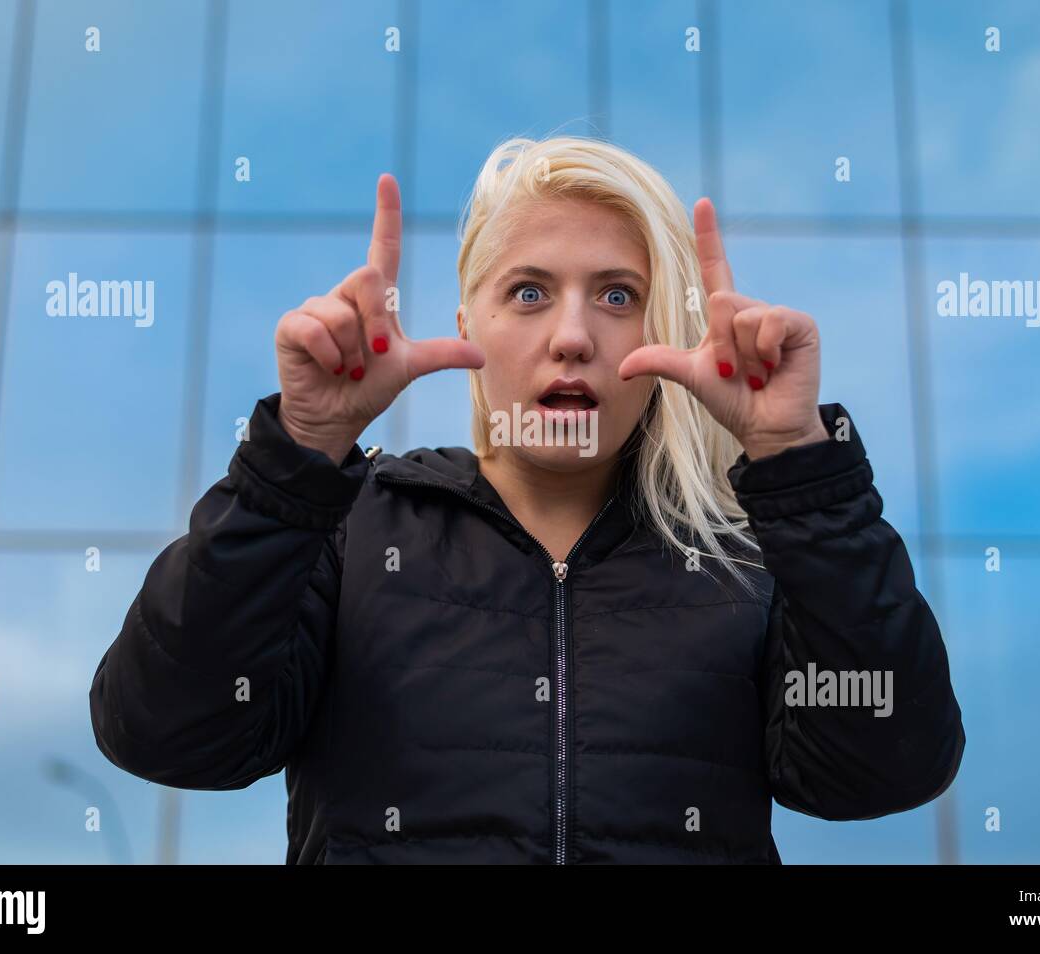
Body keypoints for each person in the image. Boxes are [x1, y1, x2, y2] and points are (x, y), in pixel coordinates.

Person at [89, 135, 964, 864]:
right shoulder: (349, 530)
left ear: (663, 332)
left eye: (618, 295)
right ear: (467, 324)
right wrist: (298, 459)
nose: (574, 335)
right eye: (529, 292)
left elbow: (882, 771)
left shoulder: (747, 560)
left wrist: (797, 467)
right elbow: (166, 731)